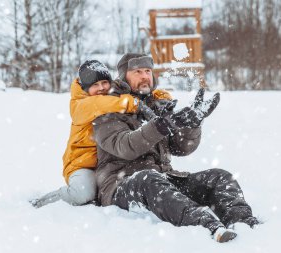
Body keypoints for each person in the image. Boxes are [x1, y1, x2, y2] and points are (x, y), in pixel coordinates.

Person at [92, 53, 260, 243]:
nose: (145, 76)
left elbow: (181, 148)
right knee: (148, 178)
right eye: (137, 72)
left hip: (163, 179)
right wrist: (160, 126)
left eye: (148, 71)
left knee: (219, 177)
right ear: (123, 77)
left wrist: (192, 124)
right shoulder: (107, 108)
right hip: (121, 187)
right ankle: (205, 223)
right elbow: (126, 146)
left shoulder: (156, 105)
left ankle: (243, 223)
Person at [31, 60, 172, 208]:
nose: (101, 88)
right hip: (83, 165)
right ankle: (41, 203)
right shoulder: (81, 105)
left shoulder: (112, 98)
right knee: (83, 193)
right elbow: (100, 103)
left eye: (104, 82)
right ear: (86, 88)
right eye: (94, 85)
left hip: (105, 166)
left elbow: (137, 89)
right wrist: (134, 104)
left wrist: (161, 97)